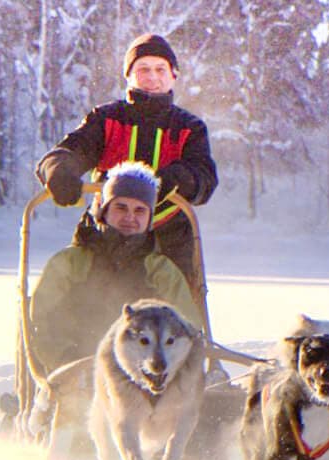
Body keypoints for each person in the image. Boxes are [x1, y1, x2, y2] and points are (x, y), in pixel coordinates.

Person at [35, 33, 217, 285]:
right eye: (143, 69)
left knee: (177, 310)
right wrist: (59, 169)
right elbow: (69, 151)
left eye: (160, 69)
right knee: (75, 300)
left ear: (173, 75)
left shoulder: (189, 127)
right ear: (129, 75)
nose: (152, 77)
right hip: (103, 233)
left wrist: (177, 178)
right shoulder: (106, 118)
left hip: (168, 236)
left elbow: (204, 179)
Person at [28, 162, 203, 375]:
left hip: (144, 378)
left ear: (149, 219)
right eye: (121, 207)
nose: (130, 217)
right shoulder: (70, 263)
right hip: (73, 373)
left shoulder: (161, 271)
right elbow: (41, 321)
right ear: (104, 211)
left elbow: (188, 330)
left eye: (139, 210)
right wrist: (66, 362)